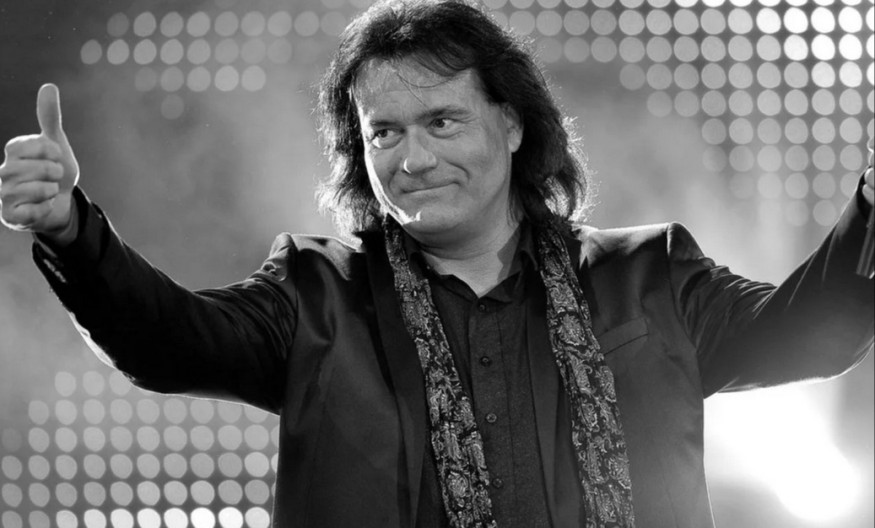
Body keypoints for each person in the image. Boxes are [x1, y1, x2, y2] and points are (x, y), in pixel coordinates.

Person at [1, 0, 873, 526]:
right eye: (383, 133)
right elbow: (166, 342)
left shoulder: (651, 276)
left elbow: (813, 333)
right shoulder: (314, 292)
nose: (411, 159)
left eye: (441, 122)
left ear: (512, 124)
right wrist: (72, 231)